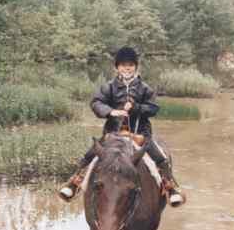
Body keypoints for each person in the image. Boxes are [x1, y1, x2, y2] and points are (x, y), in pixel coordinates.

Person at [58, 46, 185, 207]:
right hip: (113, 134)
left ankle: (170, 187)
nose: (127, 68)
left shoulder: (145, 88)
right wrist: (112, 112)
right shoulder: (108, 87)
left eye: (131, 65)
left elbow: (154, 108)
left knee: (160, 156)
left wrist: (136, 108)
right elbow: (96, 103)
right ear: (117, 67)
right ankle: (74, 182)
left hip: (140, 134)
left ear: (135, 67)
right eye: (123, 65)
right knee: (90, 155)